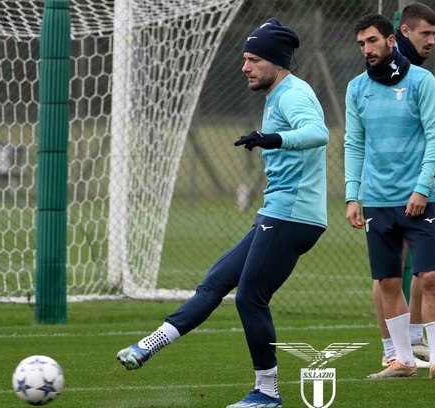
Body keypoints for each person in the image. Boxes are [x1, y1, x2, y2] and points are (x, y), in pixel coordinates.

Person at [116, 18, 329, 408]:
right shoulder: (278, 94)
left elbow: (319, 133)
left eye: (252, 60)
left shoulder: (293, 93)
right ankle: (149, 345)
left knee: (250, 297)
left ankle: (267, 392)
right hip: (278, 212)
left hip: (293, 215)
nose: (245, 67)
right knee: (215, 283)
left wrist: (270, 138)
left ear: (276, 62)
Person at [345, 13, 435, 381]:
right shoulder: (356, 88)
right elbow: (354, 143)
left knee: (429, 276)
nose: (367, 49)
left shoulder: (422, 81)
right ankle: (403, 360)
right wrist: (352, 196)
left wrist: (422, 188)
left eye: (373, 41)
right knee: (389, 281)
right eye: (362, 43)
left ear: (391, 40)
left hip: (418, 199)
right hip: (377, 200)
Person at [372, 2, 435, 371]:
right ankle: (393, 348)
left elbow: (433, 133)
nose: (432, 41)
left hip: (419, 188)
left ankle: (415, 337)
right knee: (389, 272)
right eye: (425, 33)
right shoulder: (380, 76)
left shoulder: (419, 75)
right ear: (402, 33)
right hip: (387, 192)